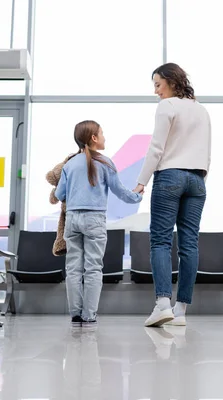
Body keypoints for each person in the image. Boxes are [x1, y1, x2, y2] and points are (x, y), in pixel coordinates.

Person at [134, 63, 211, 327]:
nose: (156, 91)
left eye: (157, 85)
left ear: (171, 81)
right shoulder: (201, 110)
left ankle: (162, 304)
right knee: (190, 244)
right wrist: (199, 179)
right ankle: (181, 311)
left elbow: (156, 148)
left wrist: (141, 181)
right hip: (197, 180)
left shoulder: (167, 106)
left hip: (169, 176)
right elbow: (207, 151)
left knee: (161, 242)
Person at [56, 120, 143, 328]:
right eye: (102, 133)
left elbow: (59, 194)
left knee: (73, 268)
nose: (104, 137)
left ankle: (75, 314)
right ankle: (89, 315)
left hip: (73, 219)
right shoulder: (105, 163)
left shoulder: (69, 164)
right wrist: (137, 197)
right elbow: (120, 192)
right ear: (93, 138)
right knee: (93, 268)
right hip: (95, 219)